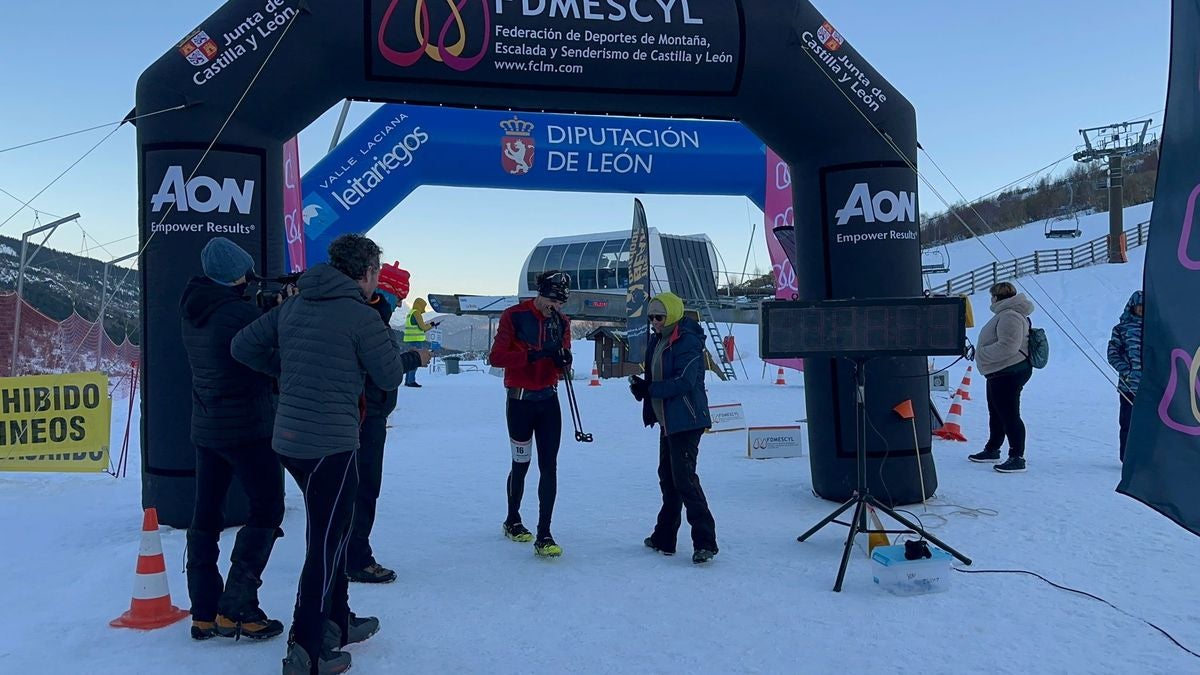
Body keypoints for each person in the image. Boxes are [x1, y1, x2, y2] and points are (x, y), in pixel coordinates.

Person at [232, 234, 428, 675]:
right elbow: (388, 374)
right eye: (376, 271)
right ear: (366, 273)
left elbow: (243, 346)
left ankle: (337, 622)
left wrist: (286, 372)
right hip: (331, 446)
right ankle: (307, 649)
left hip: (291, 441)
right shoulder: (361, 317)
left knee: (333, 535)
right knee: (324, 545)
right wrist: (411, 356)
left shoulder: (296, 303)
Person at [179, 237, 285, 641]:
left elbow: (226, 336)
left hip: (207, 427)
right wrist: (273, 317)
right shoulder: (239, 314)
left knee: (205, 518)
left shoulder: (195, 307)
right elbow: (269, 363)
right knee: (267, 509)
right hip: (246, 428)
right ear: (236, 276)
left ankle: (203, 611)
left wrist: (257, 312)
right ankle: (238, 607)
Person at [628, 292, 718, 565]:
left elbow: (685, 381)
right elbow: (657, 375)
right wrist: (642, 388)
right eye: (651, 317)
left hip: (687, 421)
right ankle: (664, 536)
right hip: (668, 420)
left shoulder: (688, 340)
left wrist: (649, 389)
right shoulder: (659, 339)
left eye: (660, 316)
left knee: (685, 480)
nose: (654, 321)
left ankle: (706, 542)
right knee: (668, 479)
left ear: (674, 314)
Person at [487, 270, 573, 557]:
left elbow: (563, 365)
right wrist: (533, 355)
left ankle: (544, 533)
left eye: (560, 303)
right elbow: (496, 357)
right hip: (520, 401)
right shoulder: (514, 316)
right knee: (520, 463)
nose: (555, 307)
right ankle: (513, 519)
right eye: (551, 300)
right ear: (540, 294)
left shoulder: (561, 322)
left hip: (549, 399)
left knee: (549, 465)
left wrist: (563, 360)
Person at [346, 289, 402, 584]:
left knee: (353, 488)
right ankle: (355, 558)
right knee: (363, 487)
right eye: (398, 298)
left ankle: (346, 554)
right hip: (365, 416)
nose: (398, 305)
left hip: (363, 414)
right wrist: (413, 360)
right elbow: (385, 372)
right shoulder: (371, 322)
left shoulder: (361, 316)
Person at [968, 281, 1035, 473]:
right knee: (997, 412)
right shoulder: (1007, 314)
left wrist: (982, 353)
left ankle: (1017, 456)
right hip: (1000, 371)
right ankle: (993, 448)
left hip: (1008, 371)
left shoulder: (1010, 316)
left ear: (997, 297)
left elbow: (1008, 346)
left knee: (1009, 414)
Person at [1107, 290, 1144, 463]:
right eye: (1139, 306)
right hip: (1128, 386)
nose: (1142, 310)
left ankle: (1148, 456)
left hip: (1150, 385)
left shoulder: (1156, 328)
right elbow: (1113, 353)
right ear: (1132, 307)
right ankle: (1127, 458)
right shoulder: (1121, 329)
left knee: (1149, 423)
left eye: (1145, 307)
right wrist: (1126, 370)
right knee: (1127, 423)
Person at [402, 297, 436, 387]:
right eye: (423, 306)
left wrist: (430, 326)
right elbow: (422, 327)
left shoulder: (410, 313)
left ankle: (408, 381)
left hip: (410, 340)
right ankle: (411, 381)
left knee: (410, 360)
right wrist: (431, 324)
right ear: (420, 305)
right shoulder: (416, 313)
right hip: (416, 340)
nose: (423, 309)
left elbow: (418, 328)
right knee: (416, 360)